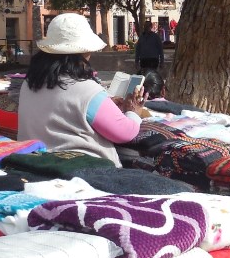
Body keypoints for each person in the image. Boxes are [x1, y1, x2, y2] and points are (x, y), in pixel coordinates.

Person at [18, 13, 143, 168]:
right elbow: (124, 132)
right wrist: (133, 112)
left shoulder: (29, 83)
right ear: (84, 52)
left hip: (33, 165)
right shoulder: (86, 89)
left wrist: (106, 104)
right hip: (81, 170)